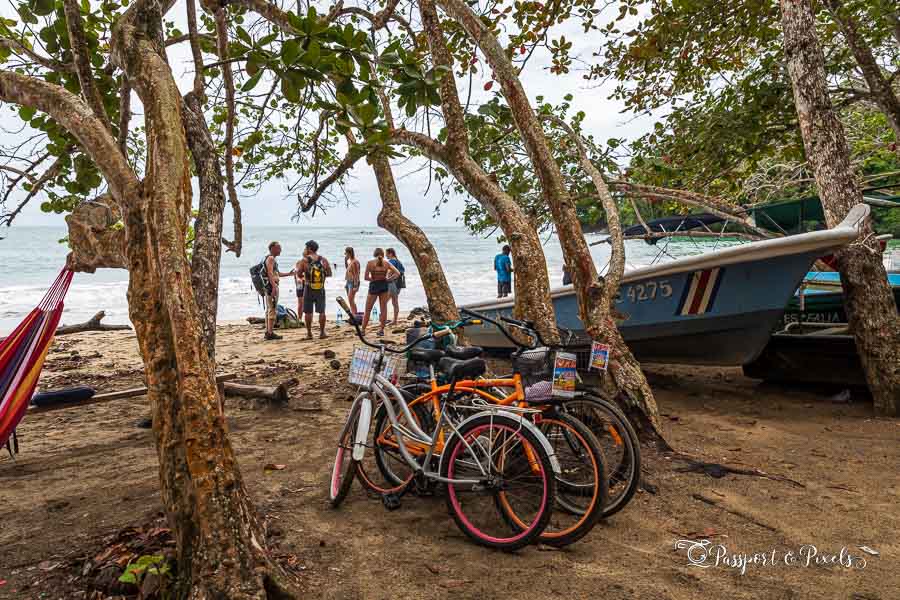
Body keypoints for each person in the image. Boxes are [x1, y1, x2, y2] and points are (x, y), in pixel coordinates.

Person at [362, 247, 401, 337]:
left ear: (374, 254)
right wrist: (388, 279)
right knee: (383, 309)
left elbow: (366, 277)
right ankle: (381, 330)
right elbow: (398, 273)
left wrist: (374, 279)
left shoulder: (370, 263)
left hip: (374, 285)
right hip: (384, 285)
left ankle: (363, 330)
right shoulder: (386, 263)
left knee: (368, 309)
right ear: (383, 254)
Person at [300, 240, 332, 339]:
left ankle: (309, 334)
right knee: (322, 311)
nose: (305, 250)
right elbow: (330, 273)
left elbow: (299, 274)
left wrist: (305, 276)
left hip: (309, 287)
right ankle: (322, 333)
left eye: (305, 248)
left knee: (308, 312)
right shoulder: (323, 260)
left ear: (309, 249)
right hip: (321, 288)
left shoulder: (304, 260)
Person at [264, 241, 294, 341]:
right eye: (278, 248)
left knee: (269, 309)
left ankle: (268, 332)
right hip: (271, 286)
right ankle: (270, 333)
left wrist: (289, 274)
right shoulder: (271, 258)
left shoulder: (271, 259)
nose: (280, 250)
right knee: (272, 309)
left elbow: (277, 273)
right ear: (272, 248)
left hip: (269, 286)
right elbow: (269, 273)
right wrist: (274, 287)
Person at [386, 248, 406, 325]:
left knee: (384, 302)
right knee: (394, 302)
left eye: (387, 253)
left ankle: (384, 319)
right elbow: (402, 272)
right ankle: (394, 320)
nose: (386, 255)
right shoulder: (398, 261)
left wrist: (388, 279)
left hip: (392, 284)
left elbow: (391, 271)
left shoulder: (392, 261)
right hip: (399, 284)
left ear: (390, 253)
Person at [344, 246, 361, 316]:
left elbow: (356, 274)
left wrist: (356, 285)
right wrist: (345, 260)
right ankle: (353, 314)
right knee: (350, 300)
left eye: (346, 253)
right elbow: (347, 269)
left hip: (353, 282)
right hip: (348, 281)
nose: (345, 254)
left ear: (349, 253)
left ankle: (355, 315)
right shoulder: (350, 261)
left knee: (351, 299)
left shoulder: (355, 262)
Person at [294, 248, 309, 321]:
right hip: (300, 284)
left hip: (308, 284)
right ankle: (299, 319)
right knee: (301, 302)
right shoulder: (299, 262)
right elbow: (297, 274)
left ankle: (307, 318)